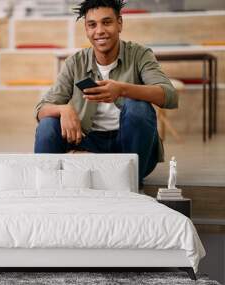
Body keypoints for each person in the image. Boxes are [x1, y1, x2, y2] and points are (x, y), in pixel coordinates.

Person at [33, 0, 178, 184]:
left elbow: (170, 96)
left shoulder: (139, 55)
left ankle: (129, 181)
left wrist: (122, 90)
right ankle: (47, 187)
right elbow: (40, 109)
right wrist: (63, 110)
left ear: (120, 23)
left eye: (107, 22)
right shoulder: (75, 62)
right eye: (92, 25)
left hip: (130, 146)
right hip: (87, 141)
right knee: (47, 124)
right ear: (86, 29)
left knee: (138, 108)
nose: (99, 31)